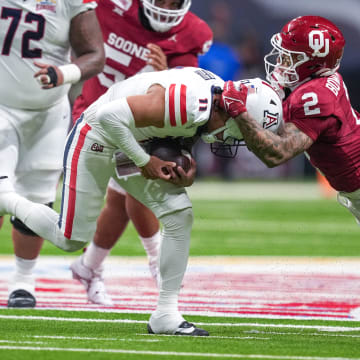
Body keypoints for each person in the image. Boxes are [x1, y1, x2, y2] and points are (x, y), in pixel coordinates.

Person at [0, 66, 282, 335]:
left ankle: (165, 315)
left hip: (132, 141)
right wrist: (144, 161)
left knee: (178, 213)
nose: (239, 136)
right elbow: (109, 117)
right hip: (96, 136)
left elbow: (184, 132)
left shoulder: (217, 99)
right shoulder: (187, 103)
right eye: (242, 128)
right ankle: (7, 199)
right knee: (69, 239)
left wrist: (186, 166)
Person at [70, 0, 213, 306]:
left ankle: (89, 267)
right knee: (136, 184)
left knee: (125, 194)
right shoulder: (108, 6)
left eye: (172, 1)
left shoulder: (192, 31)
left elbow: (187, 86)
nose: (164, 5)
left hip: (140, 121)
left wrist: (166, 77)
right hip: (96, 113)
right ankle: (155, 261)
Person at [0, 0, 105, 308]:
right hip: (0, 106)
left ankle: (23, 281)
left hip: (47, 113)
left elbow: (95, 55)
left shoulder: (72, 2)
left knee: (37, 198)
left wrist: (64, 73)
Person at [221, 16, 360, 225]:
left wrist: (239, 111)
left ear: (313, 64)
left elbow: (277, 154)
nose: (280, 63)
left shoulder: (314, 97)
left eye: (290, 58)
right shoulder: (321, 81)